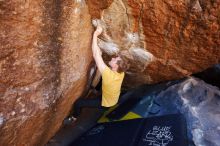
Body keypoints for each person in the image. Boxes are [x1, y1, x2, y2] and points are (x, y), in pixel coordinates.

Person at [64, 25, 130, 124]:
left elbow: (95, 54)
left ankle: (74, 117)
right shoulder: (121, 72)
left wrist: (96, 34)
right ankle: (96, 90)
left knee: (79, 103)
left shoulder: (108, 75)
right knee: (101, 84)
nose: (112, 58)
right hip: (112, 97)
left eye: (115, 60)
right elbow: (117, 61)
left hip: (106, 103)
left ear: (116, 66)